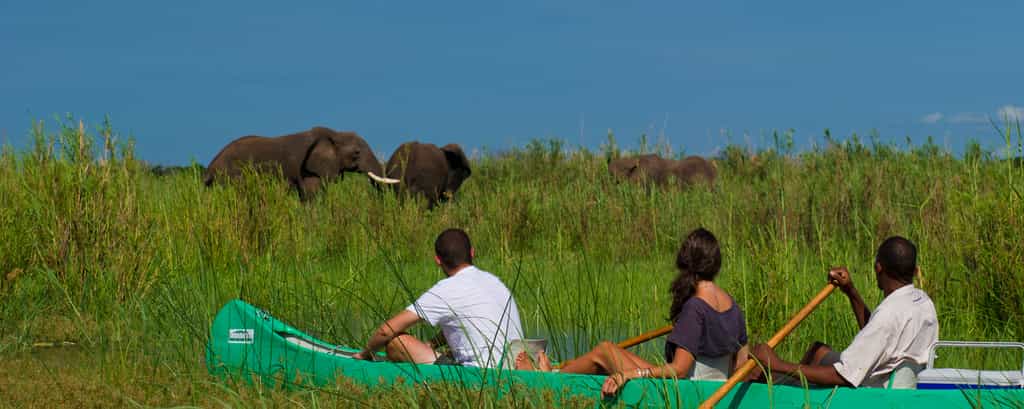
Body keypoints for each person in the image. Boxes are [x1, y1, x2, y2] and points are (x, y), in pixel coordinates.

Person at [516, 228, 749, 398]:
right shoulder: (733, 307)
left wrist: (630, 374)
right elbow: (741, 364)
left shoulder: (695, 308)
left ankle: (548, 381)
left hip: (685, 394)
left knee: (605, 351)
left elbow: (679, 370)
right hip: (714, 392)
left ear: (686, 262)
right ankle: (557, 373)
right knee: (606, 351)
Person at [751, 236, 938, 388]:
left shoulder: (888, 314)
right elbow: (879, 335)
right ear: (914, 271)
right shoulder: (923, 302)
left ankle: (776, 389)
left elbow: (842, 376)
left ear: (878, 268)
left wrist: (778, 364)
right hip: (896, 380)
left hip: (871, 390)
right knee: (818, 351)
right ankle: (780, 382)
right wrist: (850, 291)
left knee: (758, 371)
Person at [353, 228, 525, 368]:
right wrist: (432, 344)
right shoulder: (494, 281)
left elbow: (386, 331)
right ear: (472, 253)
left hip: (478, 374)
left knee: (397, 342)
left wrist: (365, 354)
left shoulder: (446, 289)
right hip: (514, 366)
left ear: (438, 260)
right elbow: (466, 322)